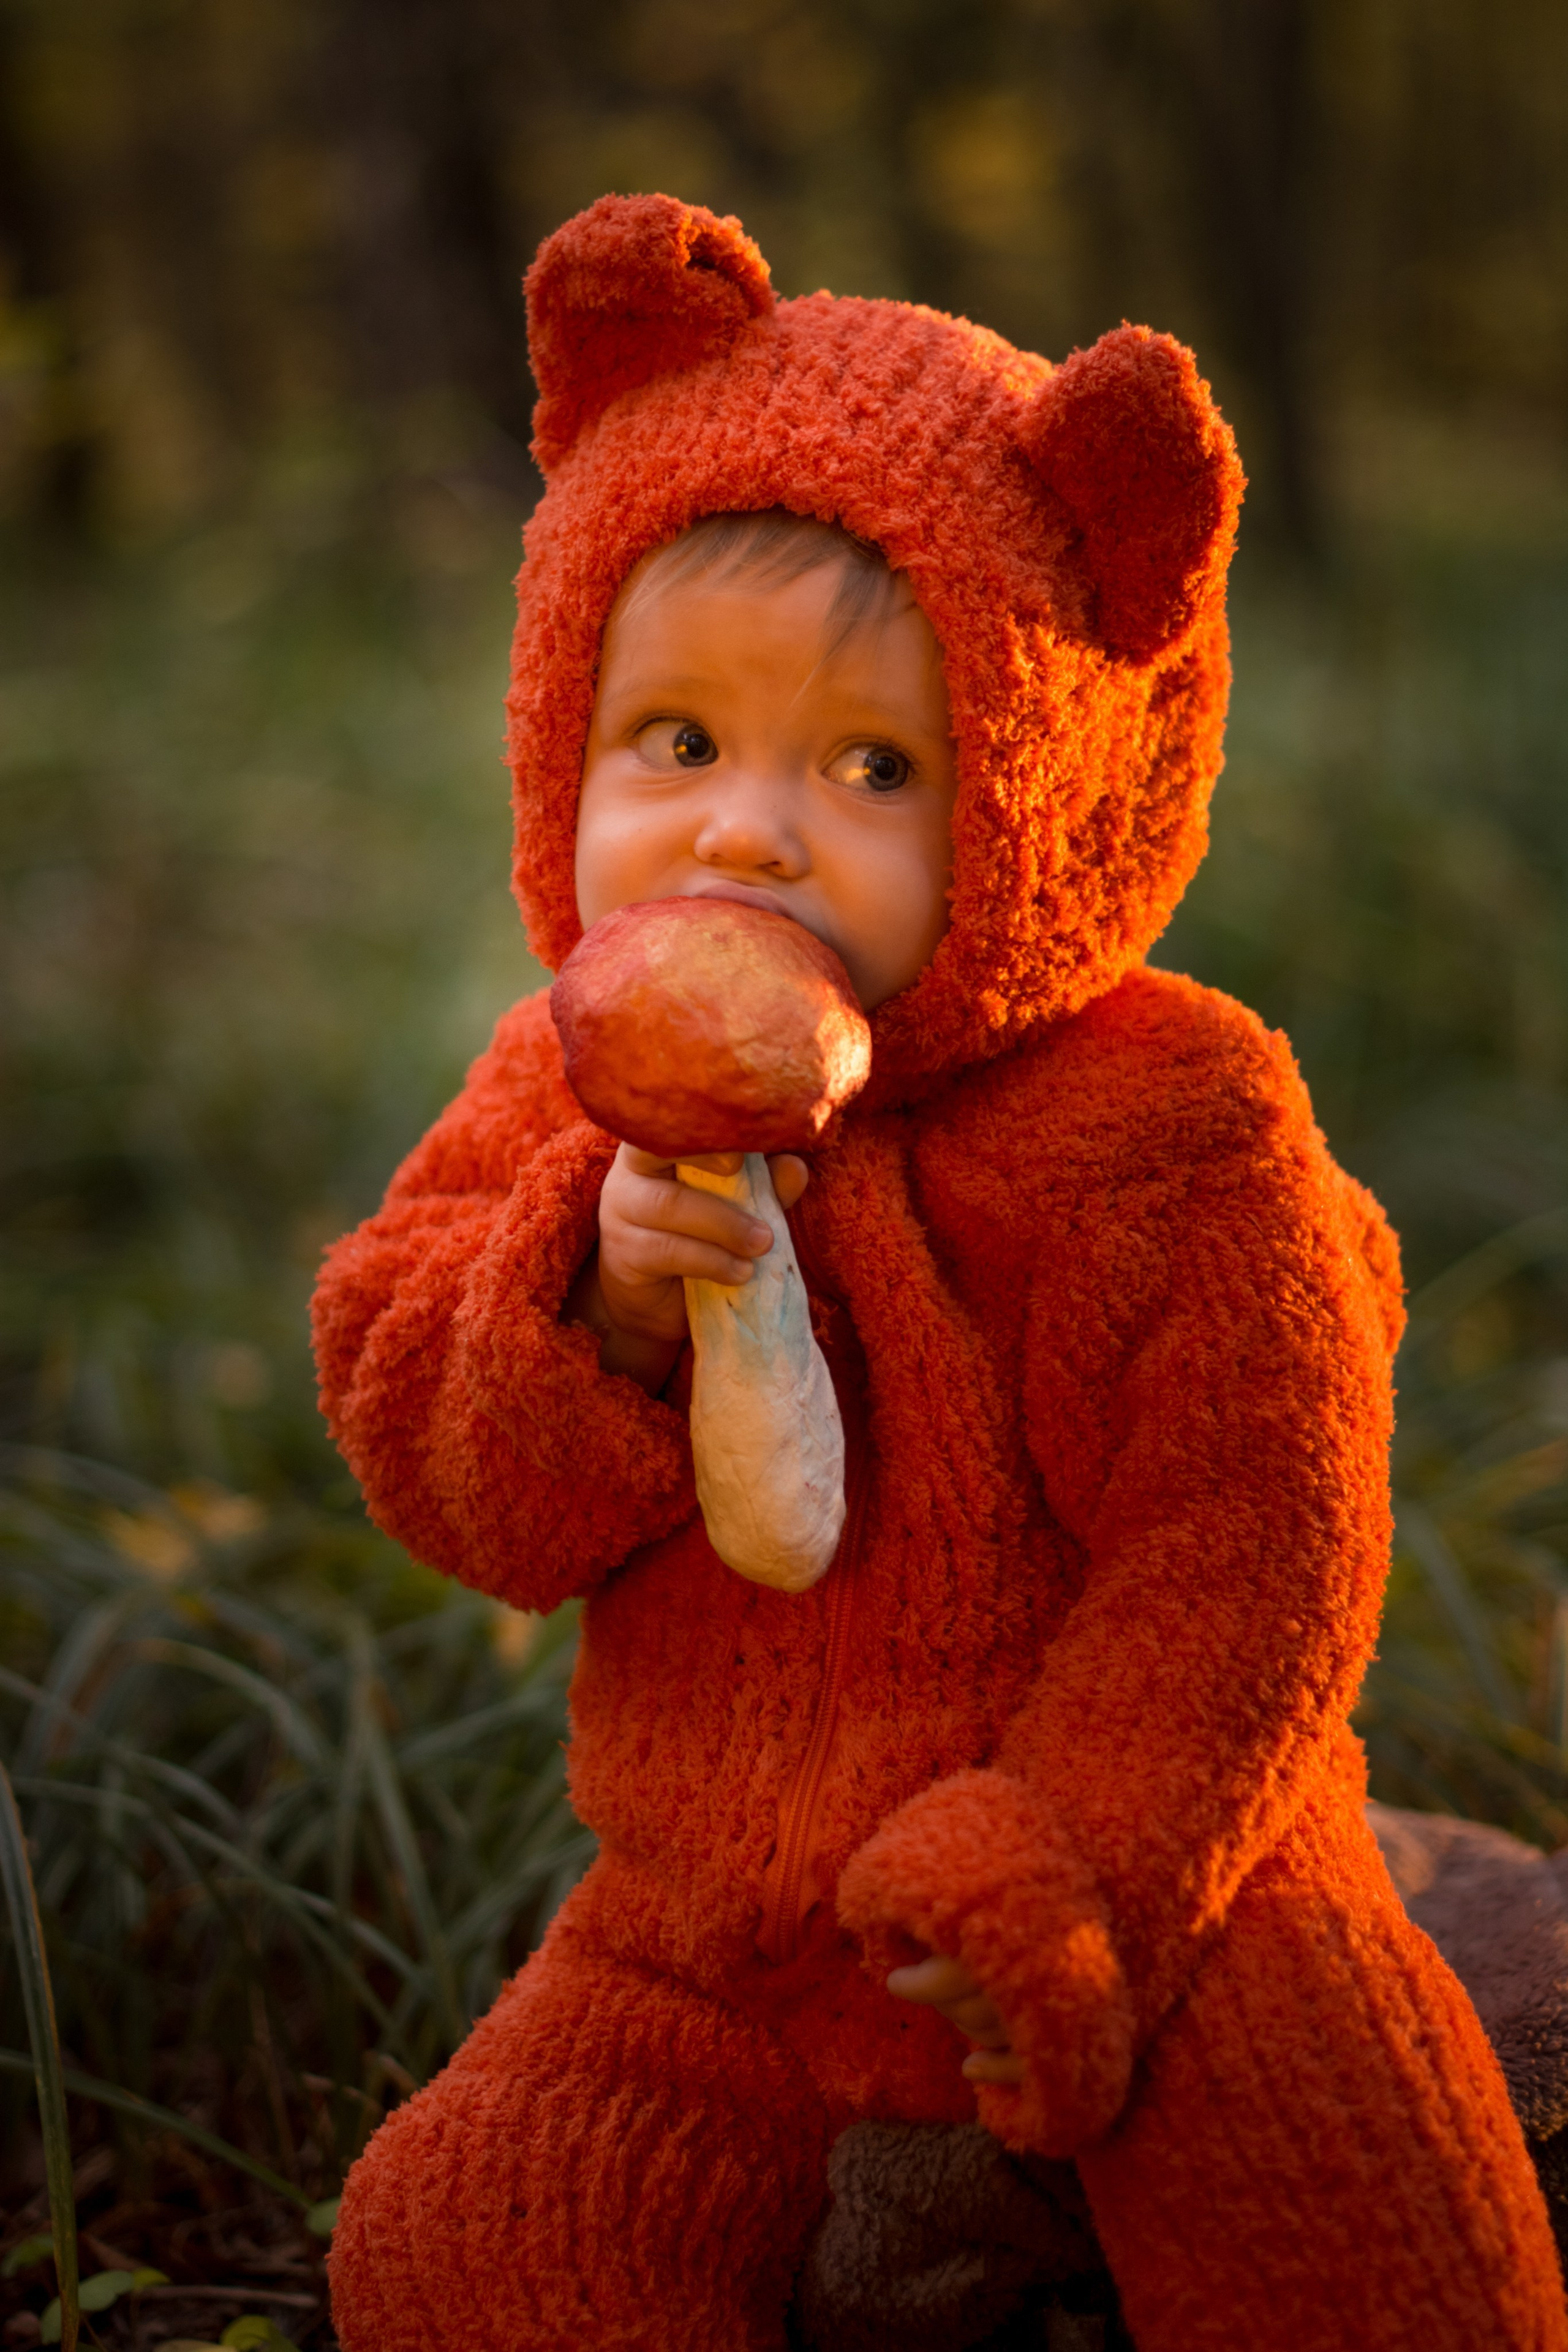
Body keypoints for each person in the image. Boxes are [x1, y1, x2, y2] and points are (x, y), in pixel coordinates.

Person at [311, 194, 1564, 2351]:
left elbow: (1253, 1550)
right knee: (470, 2239)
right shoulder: (559, 1097)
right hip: (713, 1929)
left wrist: (1071, 1865)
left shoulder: (1175, 1124)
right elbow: (433, 1445)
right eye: (676, 742)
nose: (746, 831)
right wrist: (587, 1308)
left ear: (1056, 787)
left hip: (1141, 1886)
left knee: (1353, 2210)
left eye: (874, 766)